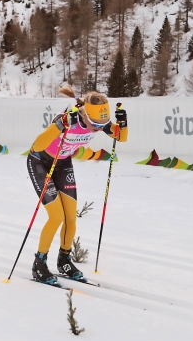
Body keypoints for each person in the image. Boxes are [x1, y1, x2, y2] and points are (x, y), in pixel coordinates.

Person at [27, 88, 128, 284]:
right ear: (85, 114)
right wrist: (58, 125)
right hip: (41, 162)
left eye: (102, 124)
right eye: (96, 124)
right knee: (56, 217)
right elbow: (37, 146)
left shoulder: (100, 122)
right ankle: (39, 264)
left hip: (62, 163)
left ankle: (64, 260)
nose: (99, 128)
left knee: (71, 217)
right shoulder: (68, 120)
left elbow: (120, 137)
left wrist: (123, 124)